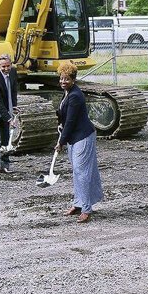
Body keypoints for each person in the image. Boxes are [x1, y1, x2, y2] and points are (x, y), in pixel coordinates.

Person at [56, 62, 103, 223]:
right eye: (61, 78)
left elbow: (71, 120)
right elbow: (65, 117)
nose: (63, 82)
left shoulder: (75, 95)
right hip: (74, 136)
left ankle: (86, 208)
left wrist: (61, 142)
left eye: (67, 79)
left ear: (73, 80)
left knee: (82, 172)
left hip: (83, 136)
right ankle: (78, 203)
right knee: (77, 171)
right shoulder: (68, 92)